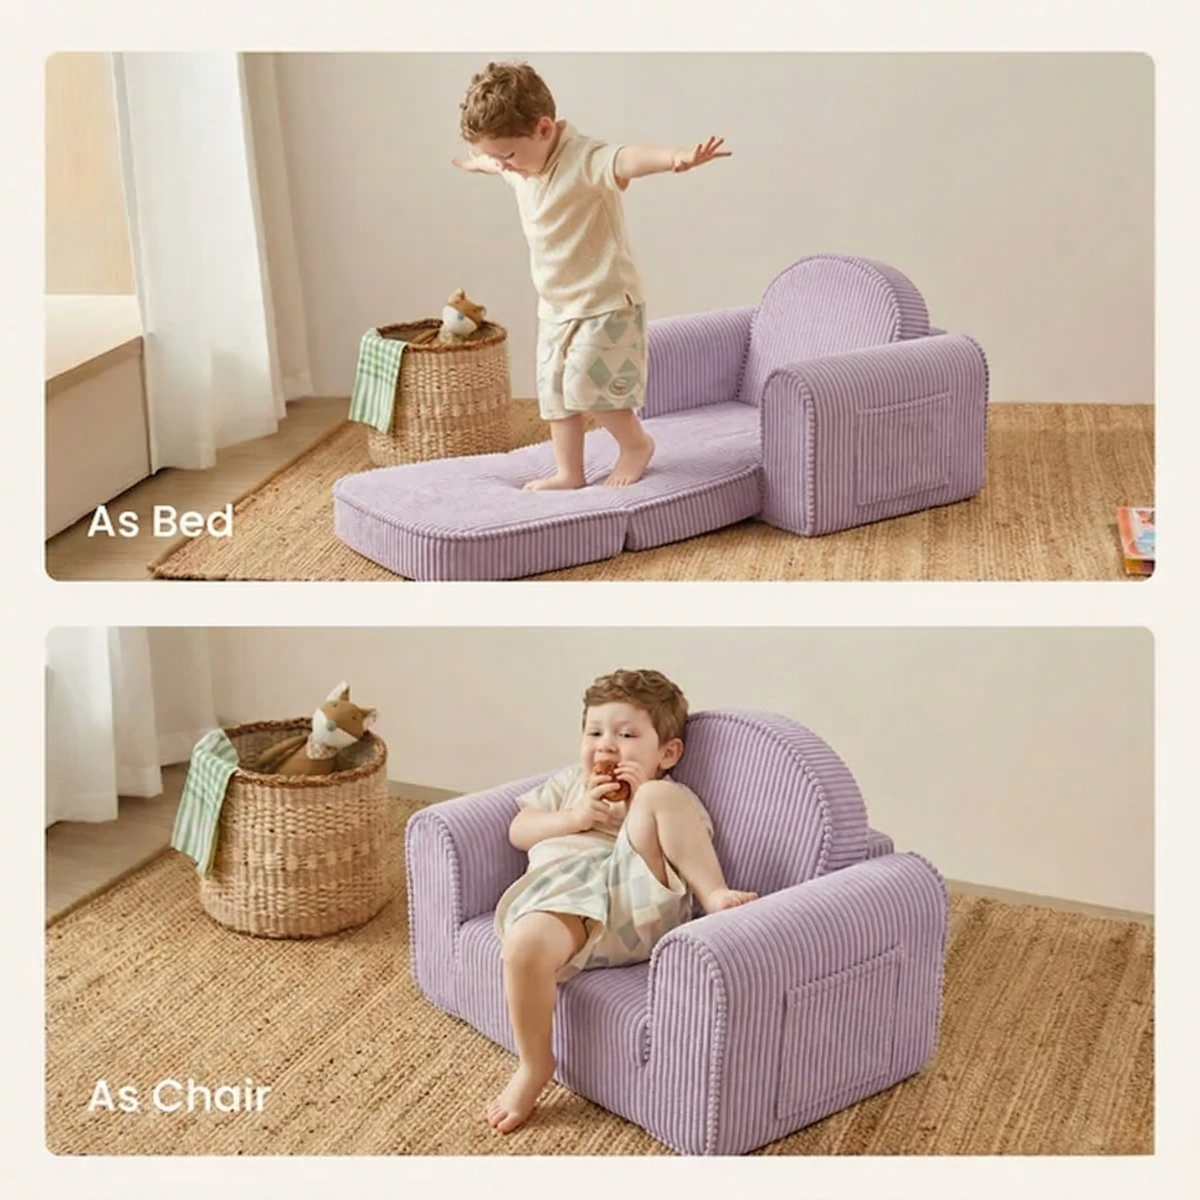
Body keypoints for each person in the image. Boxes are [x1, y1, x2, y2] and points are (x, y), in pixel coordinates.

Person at [487, 668, 756, 1134]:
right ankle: (535, 1064)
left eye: (626, 735)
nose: (607, 746)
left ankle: (716, 898)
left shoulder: (665, 794)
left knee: (657, 795)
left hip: (637, 904)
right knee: (524, 944)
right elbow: (518, 829)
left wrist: (635, 811)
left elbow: (684, 837)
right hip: (568, 905)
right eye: (595, 732)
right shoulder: (570, 784)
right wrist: (575, 817)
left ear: (667, 752)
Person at [454, 61, 731, 489]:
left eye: (507, 155)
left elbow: (627, 158)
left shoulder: (584, 159)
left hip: (605, 301)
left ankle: (636, 444)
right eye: (497, 158)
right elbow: (497, 164)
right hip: (556, 306)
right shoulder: (519, 165)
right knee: (556, 393)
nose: (504, 166)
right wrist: (480, 164)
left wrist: (675, 158)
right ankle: (569, 473)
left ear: (544, 128)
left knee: (589, 386)